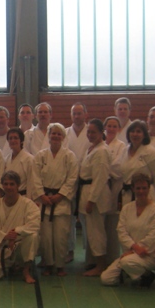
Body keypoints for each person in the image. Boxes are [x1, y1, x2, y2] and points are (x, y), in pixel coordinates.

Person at [31, 123, 78, 276]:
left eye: (59, 134)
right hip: (45, 200)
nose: (56, 136)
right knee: (46, 237)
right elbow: (35, 177)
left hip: (61, 201)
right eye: (53, 133)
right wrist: (41, 195)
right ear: (49, 136)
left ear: (63, 137)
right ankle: (48, 264)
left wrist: (60, 195)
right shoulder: (41, 155)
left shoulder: (69, 156)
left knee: (61, 237)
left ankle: (60, 265)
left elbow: (72, 178)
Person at [100, 174, 155, 286]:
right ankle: (134, 272)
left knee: (127, 262)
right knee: (106, 279)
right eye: (138, 188)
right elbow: (121, 231)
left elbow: (153, 237)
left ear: (149, 189)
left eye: (144, 188)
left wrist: (135, 251)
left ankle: (146, 275)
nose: (141, 191)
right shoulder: (127, 208)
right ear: (133, 189)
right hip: (129, 252)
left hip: (148, 254)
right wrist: (132, 247)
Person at [0, 171, 40, 284]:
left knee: (33, 236)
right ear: (2, 186)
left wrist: (16, 232)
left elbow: (34, 224)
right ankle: (9, 267)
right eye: (6, 184)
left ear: (18, 185)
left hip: (20, 246)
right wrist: (6, 236)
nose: (8, 187)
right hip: (3, 246)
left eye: (12, 184)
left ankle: (26, 269)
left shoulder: (28, 204)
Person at [77, 119, 113, 277]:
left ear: (101, 132)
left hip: (95, 195)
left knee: (97, 232)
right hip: (86, 190)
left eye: (94, 132)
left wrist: (91, 200)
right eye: (89, 132)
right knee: (91, 232)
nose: (90, 135)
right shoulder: (92, 148)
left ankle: (101, 265)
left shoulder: (102, 151)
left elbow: (100, 178)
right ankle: (95, 261)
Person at [118, 120, 155, 207]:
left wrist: (152, 192)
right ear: (128, 133)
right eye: (132, 131)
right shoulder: (124, 150)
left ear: (144, 135)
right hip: (127, 194)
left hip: (146, 195)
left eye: (138, 131)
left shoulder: (150, 152)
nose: (135, 134)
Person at [65, 102, 90, 262]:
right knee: (69, 218)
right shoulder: (66, 133)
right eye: (74, 113)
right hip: (69, 180)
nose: (77, 116)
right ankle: (69, 250)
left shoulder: (91, 132)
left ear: (85, 114)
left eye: (79, 113)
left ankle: (90, 253)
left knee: (87, 218)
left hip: (86, 181)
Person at [103, 116, 126, 260]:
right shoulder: (99, 144)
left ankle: (112, 258)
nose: (111, 129)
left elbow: (118, 167)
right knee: (100, 226)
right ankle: (99, 257)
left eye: (114, 126)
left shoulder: (121, 146)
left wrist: (102, 170)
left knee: (113, 225)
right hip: (100, 187)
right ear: (105, 128)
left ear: (118, 129)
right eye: (109, 126)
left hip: (114, 187)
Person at [4, 127, 35, 197]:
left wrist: (29, 200)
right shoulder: (6, 159)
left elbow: (31, 183)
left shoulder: (29, 159)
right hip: (8, 197)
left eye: (15, 138)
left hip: (23, 196)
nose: (13, 140)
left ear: (21, 140)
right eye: (10, 138)